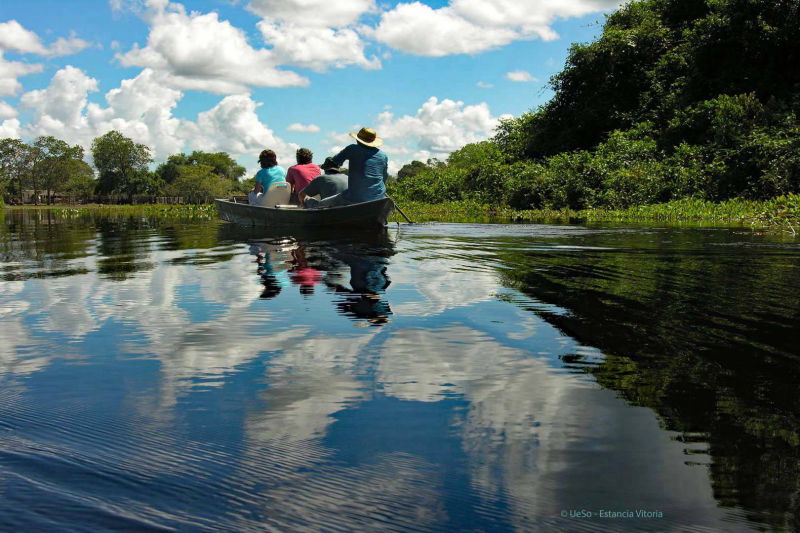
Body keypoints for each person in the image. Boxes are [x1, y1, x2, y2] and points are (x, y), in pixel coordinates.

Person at [314, 127, 388, 207]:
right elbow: (384, 178)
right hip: (379, 197)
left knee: (321, 204)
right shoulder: (383, 156)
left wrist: (327, 165)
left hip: (354, 198)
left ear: (358, 140)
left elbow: (335, 161)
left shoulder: (352, 149)